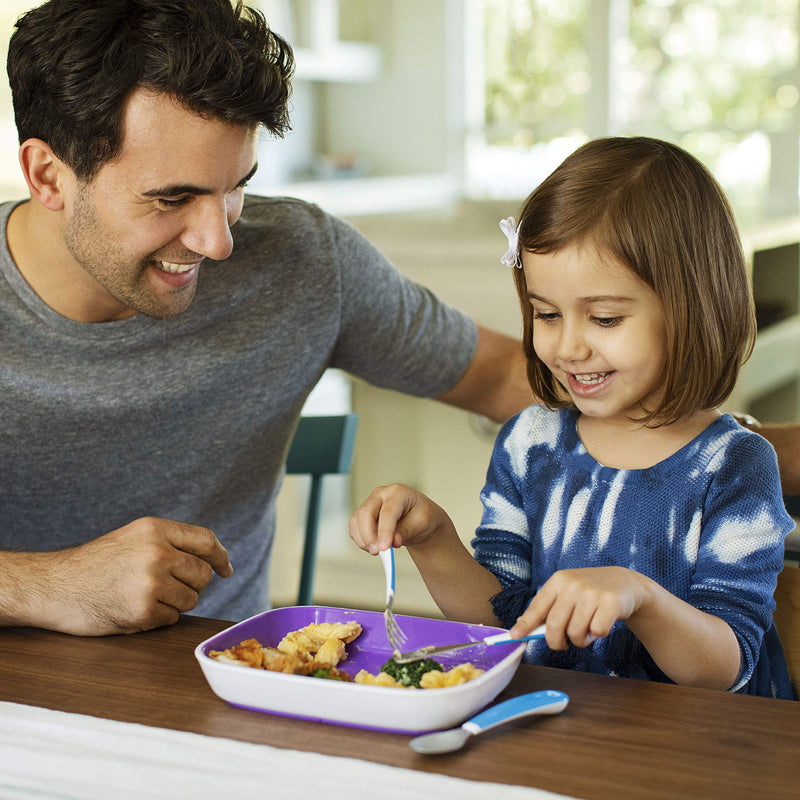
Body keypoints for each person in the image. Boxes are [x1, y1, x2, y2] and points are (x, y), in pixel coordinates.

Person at [0, 0, 532, 636]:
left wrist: (674, 468)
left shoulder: (302, 260)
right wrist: (46, 586)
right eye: (172, 198)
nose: (217, 241)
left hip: (227, 686)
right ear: (47, 175)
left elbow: (506, 376)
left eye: (235, 188)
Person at [349, 137, 797, 699]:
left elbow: (725, 668)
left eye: (605, 318)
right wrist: (434, 537)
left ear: (692, 309)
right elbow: (502, 625)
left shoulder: (734, 465)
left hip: (698, 757)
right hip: (560, 732)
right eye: (547, 314)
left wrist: (641, 597)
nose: (568, 347)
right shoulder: (530, 443)